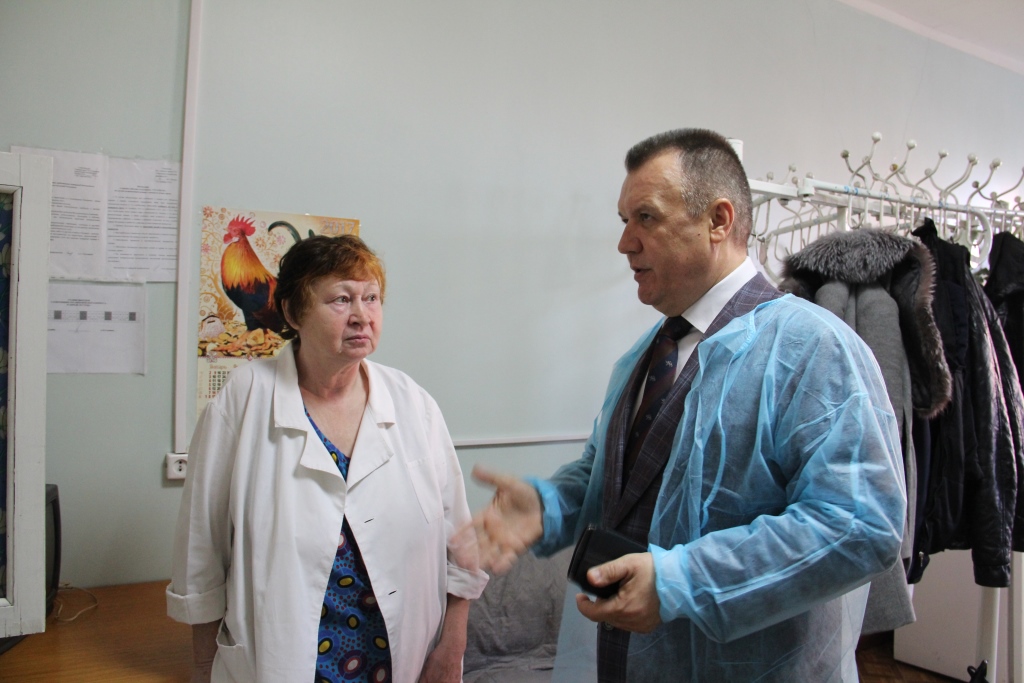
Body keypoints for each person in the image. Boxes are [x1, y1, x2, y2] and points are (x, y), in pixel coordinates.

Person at [466, 129, 906, 682]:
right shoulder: (646, 355)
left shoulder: (813, 348)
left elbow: (859, 524)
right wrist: (550, 505)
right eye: (624, 220)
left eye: (645, 217)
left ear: (718, 220)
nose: (624, 243)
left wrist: (683, 581)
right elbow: (611, 478)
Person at [167, 235, 488, 683]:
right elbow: (201, 549)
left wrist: (452, 649)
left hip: (401, 659)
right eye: (341, 299)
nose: (362, 315)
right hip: (283, 661)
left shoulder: (413, 403)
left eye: (371, 298)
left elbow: (460, 546)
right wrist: (204, 667)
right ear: (293, 312)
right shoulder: (242, 401)